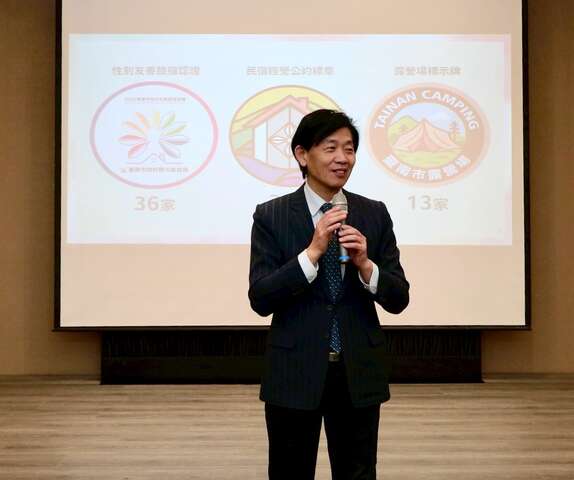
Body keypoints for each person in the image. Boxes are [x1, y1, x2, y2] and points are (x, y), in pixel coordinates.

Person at [248, 109, 409, 480]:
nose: (342, 158)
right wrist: (312, 253)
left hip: (357, 370)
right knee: (290, 472)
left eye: (349, 149)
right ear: (302, 154)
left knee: (358, 473)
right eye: (331, 147)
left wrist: (366, 265)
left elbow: (399, 298)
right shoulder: (271, 216)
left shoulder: (373, 213)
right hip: (295, 369)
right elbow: (261, 298)